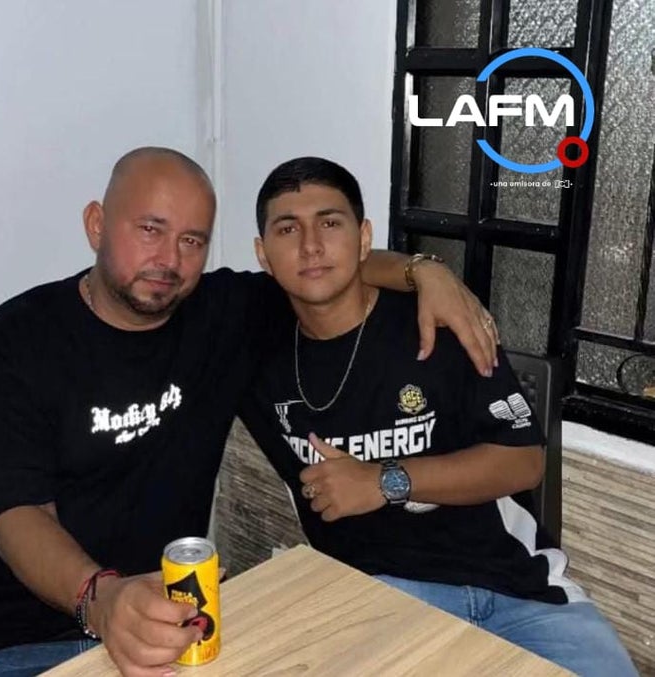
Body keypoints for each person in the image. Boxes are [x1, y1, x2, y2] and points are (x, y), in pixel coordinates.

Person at [0, 147, 496, 677]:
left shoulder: (221, 314)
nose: (170, 260)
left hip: (172, 628)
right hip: (14, 643)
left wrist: (425, 272)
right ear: (96, 225)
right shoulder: (19, 337)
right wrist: (102, 600)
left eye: (192, 240)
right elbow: (19, 517)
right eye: (150, 229)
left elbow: (322, 268)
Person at [237, 156, 638, 677]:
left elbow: (523, 463)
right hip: (380, 594)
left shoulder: (441, 323)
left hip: (517, 588)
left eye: (330, 223)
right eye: (288, 229)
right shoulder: (249, 345)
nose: (311, 245)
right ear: (263, 253)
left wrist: (383, 481)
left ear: (363, 238)